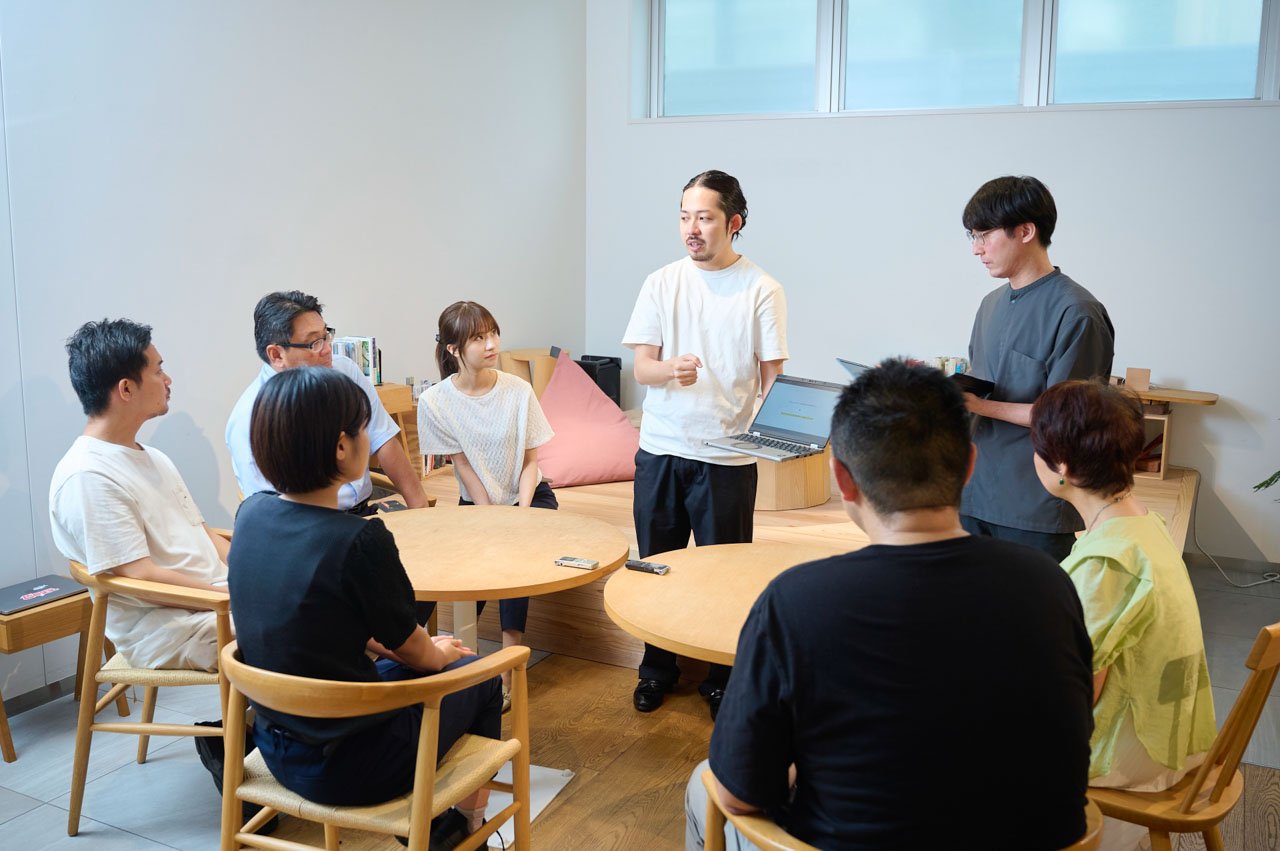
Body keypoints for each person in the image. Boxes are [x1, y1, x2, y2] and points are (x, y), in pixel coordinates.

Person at [686, 360, 1094, 851]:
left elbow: (739, 795)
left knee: (702, 785)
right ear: (969, 465)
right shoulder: (1049, 583)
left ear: (843, 479)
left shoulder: (795, 600)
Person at [228, 366, 501, 845]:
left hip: (275, 748)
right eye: (362, 429)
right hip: (357, 765)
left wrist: (416, 650)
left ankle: (436, 827)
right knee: (482, 674)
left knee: (423, 661)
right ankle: (459, 830)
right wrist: (434, 653)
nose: (367, 439)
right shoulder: (358, 540)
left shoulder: (250, 516)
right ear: (341, 447)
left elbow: (325, 624)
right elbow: (418, 653)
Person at [622, 169, 788, 718]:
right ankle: (656, 669)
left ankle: (723, 677)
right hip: (661, 449)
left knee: (726, 575)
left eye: (705, 217)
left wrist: (782, 431)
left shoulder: (762, 289)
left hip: (726, 457)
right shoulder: (660, 282)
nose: (691, 228)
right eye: (684, 216)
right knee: (657, 565)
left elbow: (772, 378)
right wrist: (670, 369)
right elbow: (642, 368)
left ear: (733, 222)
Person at [1031, 380, 1216, 851]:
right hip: (1175, 729)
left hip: (1134, 753)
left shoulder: (1107, 562)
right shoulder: (1146, 525)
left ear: (1061, 465)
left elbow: (1073, 699)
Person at [49, 318, 230, 671]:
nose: (168, 379)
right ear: (126, 389)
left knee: (319, 597)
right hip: (174, 627)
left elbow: (203, 535)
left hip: (212, 601)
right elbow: (140, 578)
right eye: (158, 371)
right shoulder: (88, 475)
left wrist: (253, 576)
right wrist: (230, 598)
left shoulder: (153, 456)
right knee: (308, 626)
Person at [960, 175, 1115, 562]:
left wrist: (979, 406)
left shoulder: (1076, 312)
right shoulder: (990, 305)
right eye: (972, 237)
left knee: (1033, 602)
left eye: (984, 235)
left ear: (1026, 231)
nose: (976, 249)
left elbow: (1065, 419)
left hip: (1035, 508)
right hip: (974, 495)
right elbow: (982, 385)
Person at [417, 300, 556, 709]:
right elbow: (463, 467)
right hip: (476, 502)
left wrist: (520, 516)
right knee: (460, 568)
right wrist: (493, 518)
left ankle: (507, 670)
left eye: (493, 333)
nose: (492, 344)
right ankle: (434, 656)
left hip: (531, 498)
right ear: (453, 348)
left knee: (515, 555)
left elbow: (531, 462)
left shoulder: (518, 390)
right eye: (478, 338)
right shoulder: (435, 401)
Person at [225, 290, 428, 514]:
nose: (328, 349)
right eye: (314, 343)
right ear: (276, 355)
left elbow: (383, 438)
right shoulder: (249, 418)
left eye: (326, 335)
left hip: (362, 511)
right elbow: (268, 509)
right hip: (305, 524)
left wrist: (420, 508)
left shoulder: (344, 371)